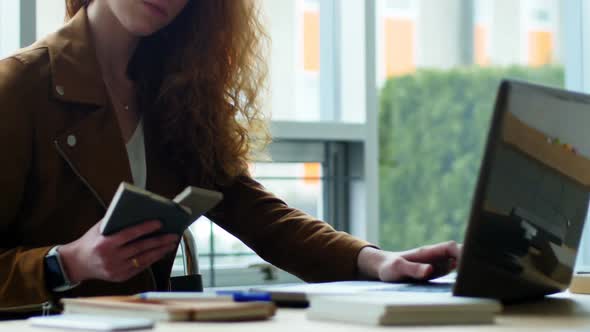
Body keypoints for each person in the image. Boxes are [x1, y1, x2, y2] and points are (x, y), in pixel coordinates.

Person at [0, 0, 460, 315]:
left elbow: (254, 211)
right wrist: (65, 263)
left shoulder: (171, 93)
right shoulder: (17, 88)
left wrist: (374, 262)